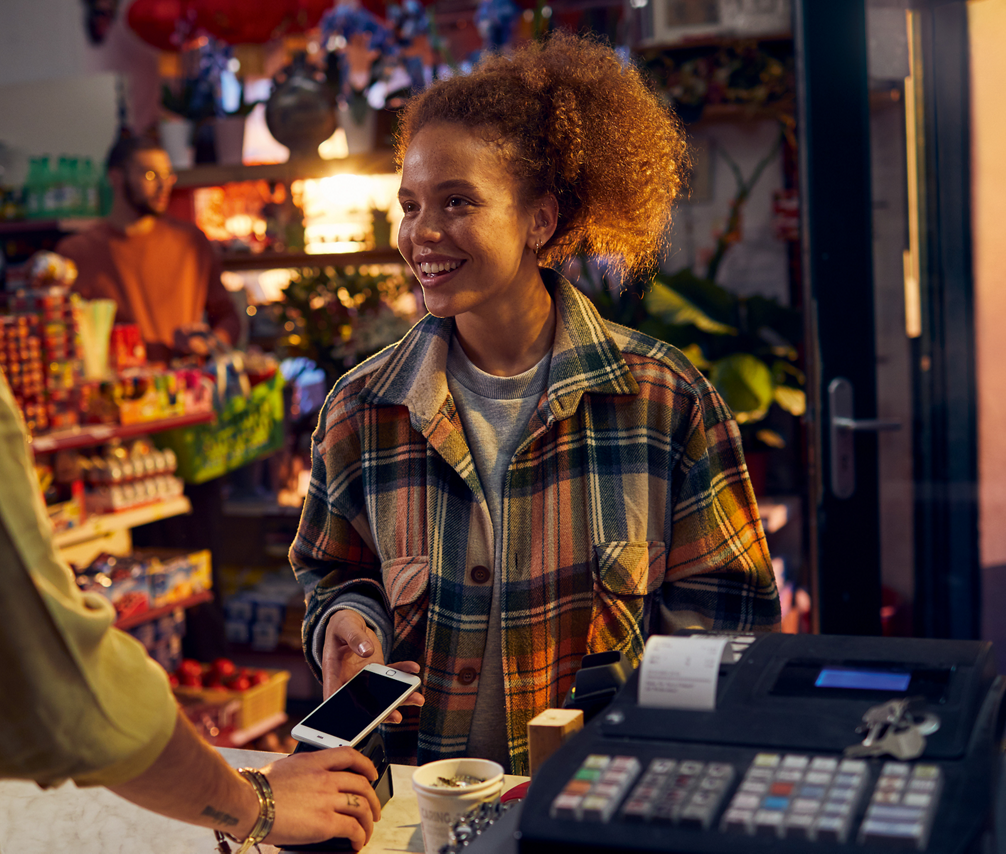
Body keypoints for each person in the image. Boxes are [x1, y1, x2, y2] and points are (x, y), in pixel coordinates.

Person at [0, 3, 379, 852]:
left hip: (195, 427)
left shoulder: (187, 243)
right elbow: (46, 679)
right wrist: (251, 800)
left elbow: (223, 324)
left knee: (203, 562)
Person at [291, 31, 783, 777]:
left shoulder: (663, 400)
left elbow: (730, 632)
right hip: (415, 811)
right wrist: (347, 619)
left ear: (540, 220)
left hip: (597, 811)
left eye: (458, 201)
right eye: (411, 203)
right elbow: (333, 572)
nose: (422, 233)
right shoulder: (364, 409)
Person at [55, 135, 242, 362]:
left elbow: (227, 317)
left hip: (184, 385)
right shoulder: (76, 253)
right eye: (150, 175)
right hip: (116, 390)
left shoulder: (191, 242)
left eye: (167, 175)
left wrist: (207, 343)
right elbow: (61, 336)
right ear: (116, 178)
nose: (164, 185)